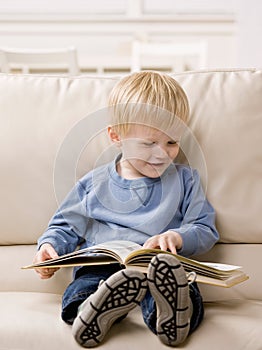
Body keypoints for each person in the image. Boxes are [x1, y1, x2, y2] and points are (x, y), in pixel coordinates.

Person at [33, 71, 219, 347]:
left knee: (182, 288)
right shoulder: (94, 184)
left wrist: (178, 237)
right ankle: (92, 310)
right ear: (116, 136)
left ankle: (170, 318)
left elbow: (205, 228)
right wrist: (49, 247)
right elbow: (65, 225)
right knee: (82, 288)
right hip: (102, 266)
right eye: (148, 143)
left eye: (172, 142)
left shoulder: (186, 180)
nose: (162, 153)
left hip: (159, 269)